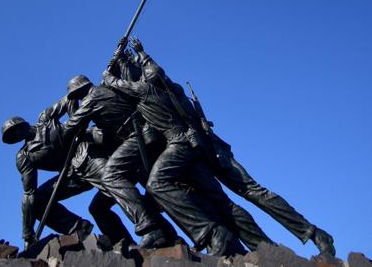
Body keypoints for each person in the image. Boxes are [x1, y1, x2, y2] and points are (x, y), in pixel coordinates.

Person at [108, 37, 336, 257]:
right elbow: (136, 80)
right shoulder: (161, 90)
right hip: (195, 151)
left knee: (252, 191)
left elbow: (132, 79)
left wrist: (126, 59)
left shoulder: (166, 89)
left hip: (210, 148)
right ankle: (265, 247)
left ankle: (313, 233)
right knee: (223, 203)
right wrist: (127, 58)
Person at [1, 82, 133, 249]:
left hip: (89, 157)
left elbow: (69, 99)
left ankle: (152, 227)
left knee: (116, 189)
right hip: (71, 176)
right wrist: (27, 233)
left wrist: (76, 125)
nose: (16, 134)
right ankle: (79, 229)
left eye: (15, 129)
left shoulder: (45, 118)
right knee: (39, 201)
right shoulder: (25, 156)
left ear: (23, 124)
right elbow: (29, 194)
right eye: (11, 135)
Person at [56, 71, 179, 249]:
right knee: (97, 207)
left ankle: (150, 229)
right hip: (136, 138)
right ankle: (157, 235)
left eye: (76, 95)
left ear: (81, 91)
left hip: (134, 137)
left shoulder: (92, 98)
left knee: (110, 177)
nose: (77, 98)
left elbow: (70, 127)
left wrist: (71, 108)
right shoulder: (106, 90)